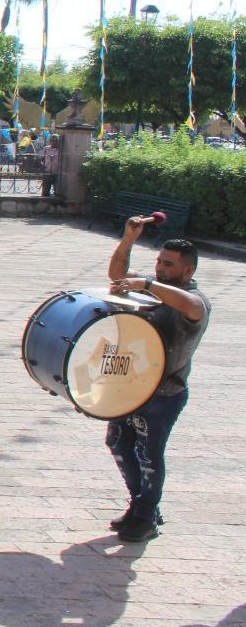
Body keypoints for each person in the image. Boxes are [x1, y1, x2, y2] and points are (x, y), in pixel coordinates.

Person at [104, 218, 211, 543]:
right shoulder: (155, 287)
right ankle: (142, 508)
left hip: (164, 394)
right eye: (159, 262)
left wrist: (148, 285)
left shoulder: (194, 301)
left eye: (169, 265)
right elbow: (118, 276)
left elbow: (192, 306)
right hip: (132, 388)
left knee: (150, 455)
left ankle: (146, 516)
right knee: (118, 444)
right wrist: (127, 240)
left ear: (188, 271)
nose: (160, 268)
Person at [40, 135, 62, 199]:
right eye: (53, 141)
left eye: (56, 141)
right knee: (45, 192)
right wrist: (44, 166)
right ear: (50, 141)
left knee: (57, 192)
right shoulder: (46, 148)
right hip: (47, 171)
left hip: (57, 173)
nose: (54, 142)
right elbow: (41, 158)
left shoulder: (61, 150)